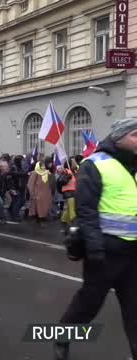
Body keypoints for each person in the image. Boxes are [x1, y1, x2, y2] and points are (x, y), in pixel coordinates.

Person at [54, 118, 137, 360]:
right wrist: (94, 249)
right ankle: (62, 335)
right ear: (119, 138)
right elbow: (86, 211)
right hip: (105, 251)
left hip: (133, 254)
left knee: (134, 309)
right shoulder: (95, 164)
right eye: (135, 135)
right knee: (89, 303)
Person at [27, 159, 55, 227]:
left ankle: (41, 219)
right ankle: (40, 220)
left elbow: (50, 183)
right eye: (42, 166)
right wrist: (32, 193)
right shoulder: (35, 173)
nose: (43, 167)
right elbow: (30, 184)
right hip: (37, 193)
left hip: (46, 194)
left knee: (45, 207)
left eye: (43, 166)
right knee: (39, 208)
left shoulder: (47, 173)